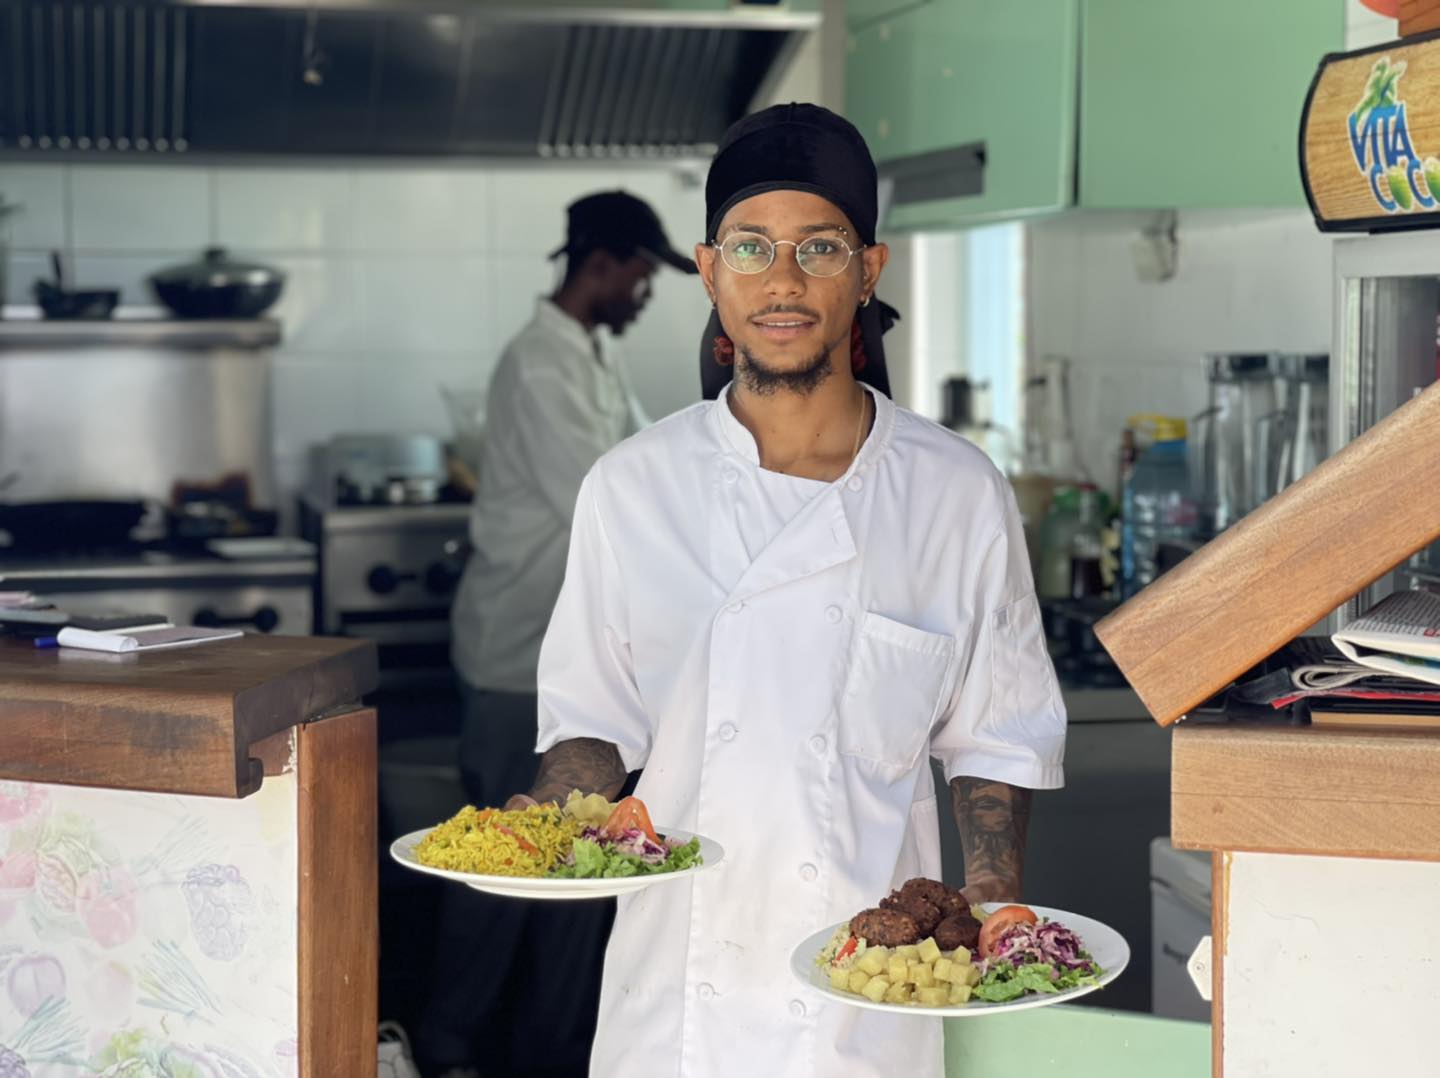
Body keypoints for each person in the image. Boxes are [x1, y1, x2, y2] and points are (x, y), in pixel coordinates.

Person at [512, 103, 1067, 1078]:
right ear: (712, 269)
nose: (783, 279)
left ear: (868, 270)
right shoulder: (633, 489)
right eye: (752, 246)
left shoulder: (953, 493)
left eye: (819, 247)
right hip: (674, 1009)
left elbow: (996, 739)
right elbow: (593, 721)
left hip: (866, 1003)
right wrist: (539, 829)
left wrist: (993, 922)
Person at [420, 190, 696, 1078]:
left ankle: (548, 1052)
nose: (647, 293)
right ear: (604, 265)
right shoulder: (541, 364)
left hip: (576, 661)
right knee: (501, 873)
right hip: (517, 656)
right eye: (643, 275)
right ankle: (447, 1048)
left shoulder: (589, 356)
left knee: (576, 875)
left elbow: (655, 459)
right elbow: (607, 494)